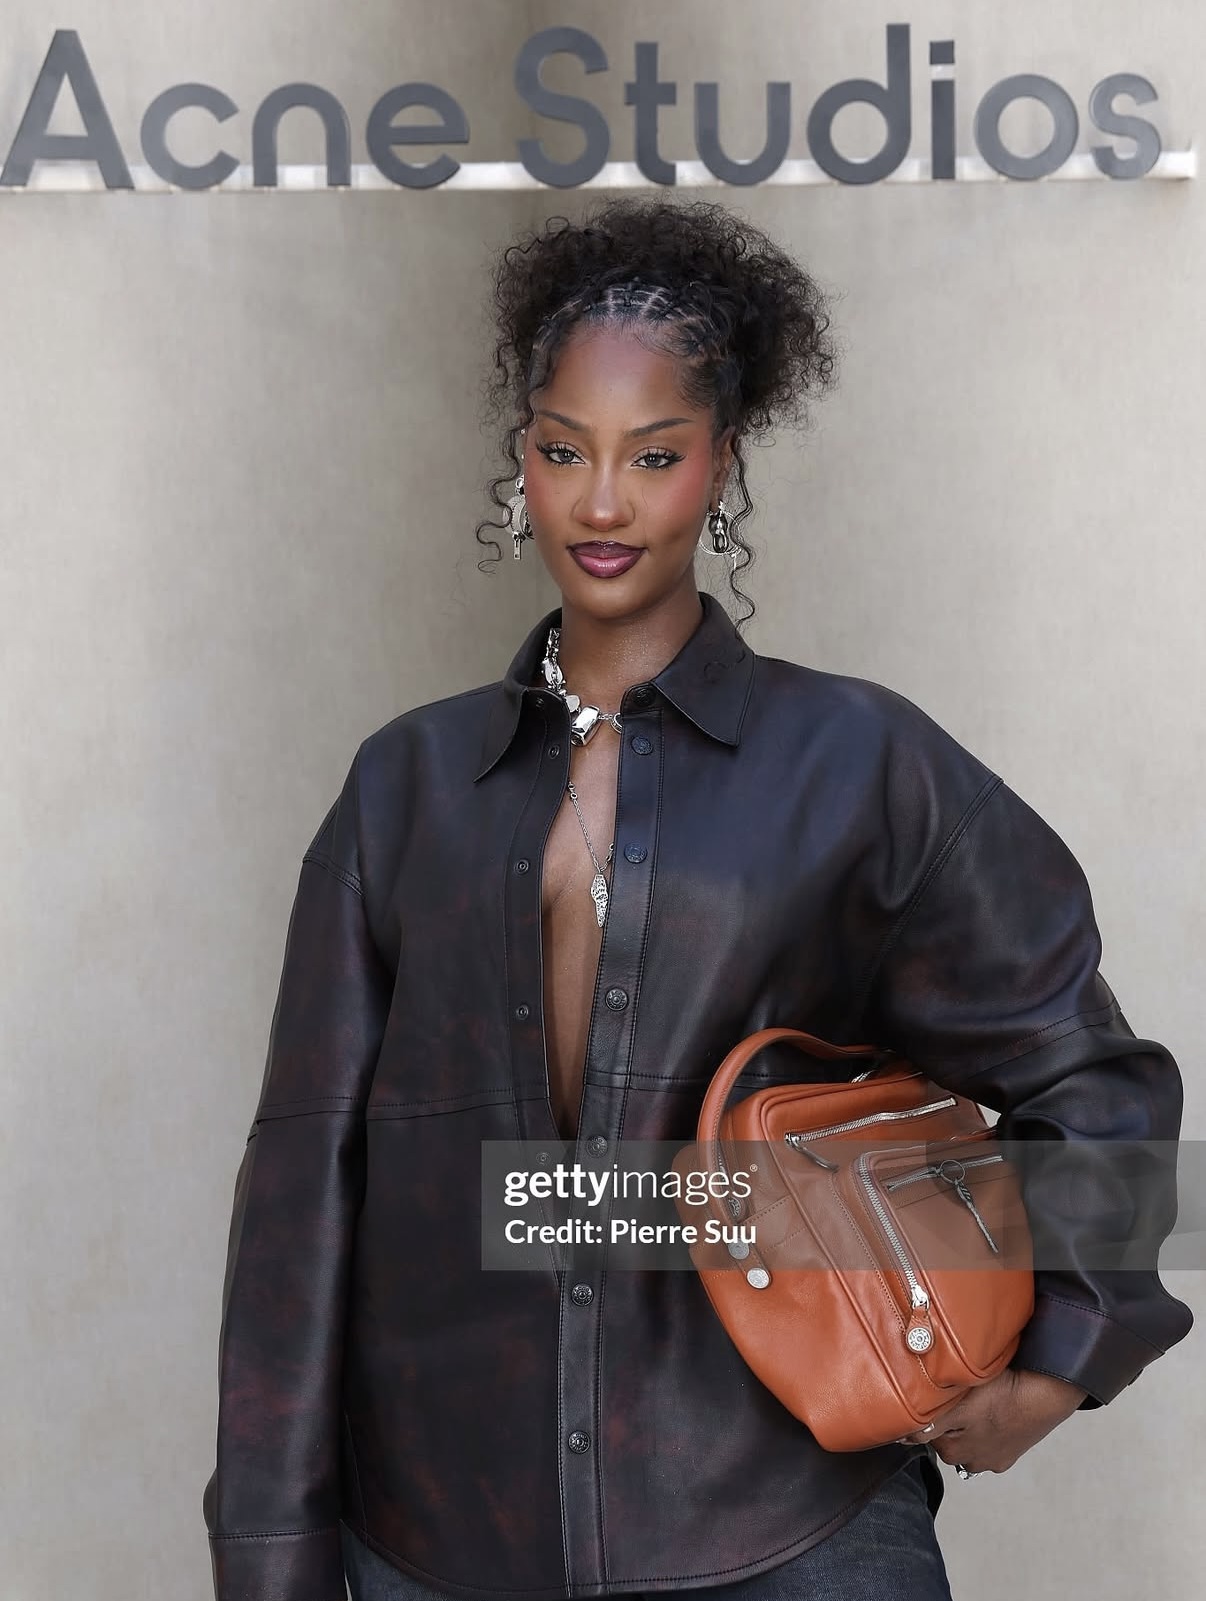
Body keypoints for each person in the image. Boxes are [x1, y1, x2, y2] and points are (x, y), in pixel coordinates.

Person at [202, 199, 1193, 1601]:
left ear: (721, 462)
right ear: (521, 459)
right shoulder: (402, 787)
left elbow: (1089, 1075)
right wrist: (271, 1551)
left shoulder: (860, 762)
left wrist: (1063, 1360)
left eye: (654, 455)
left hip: (792, 1524)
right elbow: (301, 1195)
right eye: (564, 451)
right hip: (435, 1529)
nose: (602, 504)